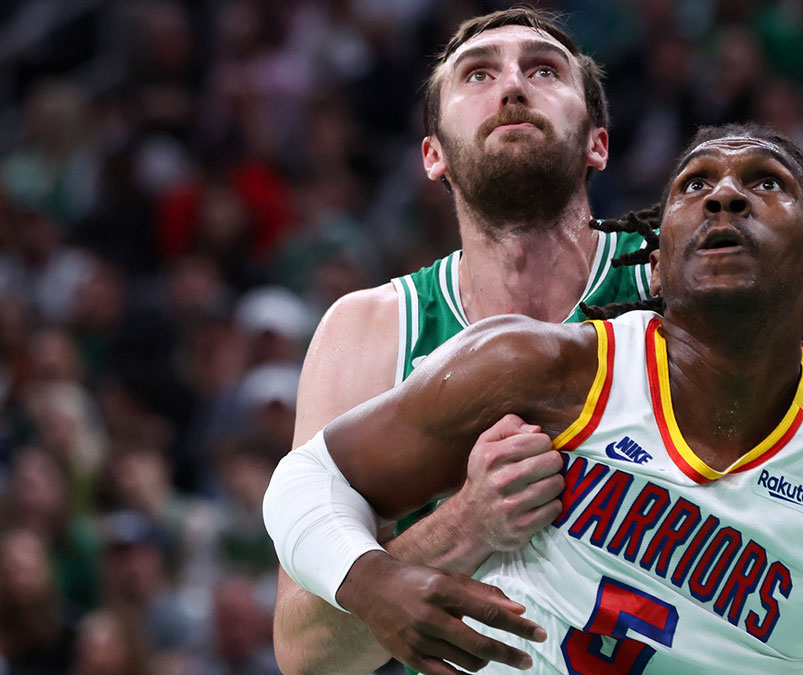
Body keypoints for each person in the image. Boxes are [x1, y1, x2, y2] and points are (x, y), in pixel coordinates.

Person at [265, 124, 803, 673]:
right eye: (696, 184)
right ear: (654, 262)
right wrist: (372, 579)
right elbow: (305, 479)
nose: (725, 195)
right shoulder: (543, 368)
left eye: (766, 182)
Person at [268, 8, 653, 675]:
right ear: (433, 154)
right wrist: (467, 524)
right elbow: (307, 651)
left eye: (542, 69)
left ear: (598, 142)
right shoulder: (368, 330)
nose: (511, 86)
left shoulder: (685, 288)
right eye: (478, 73)